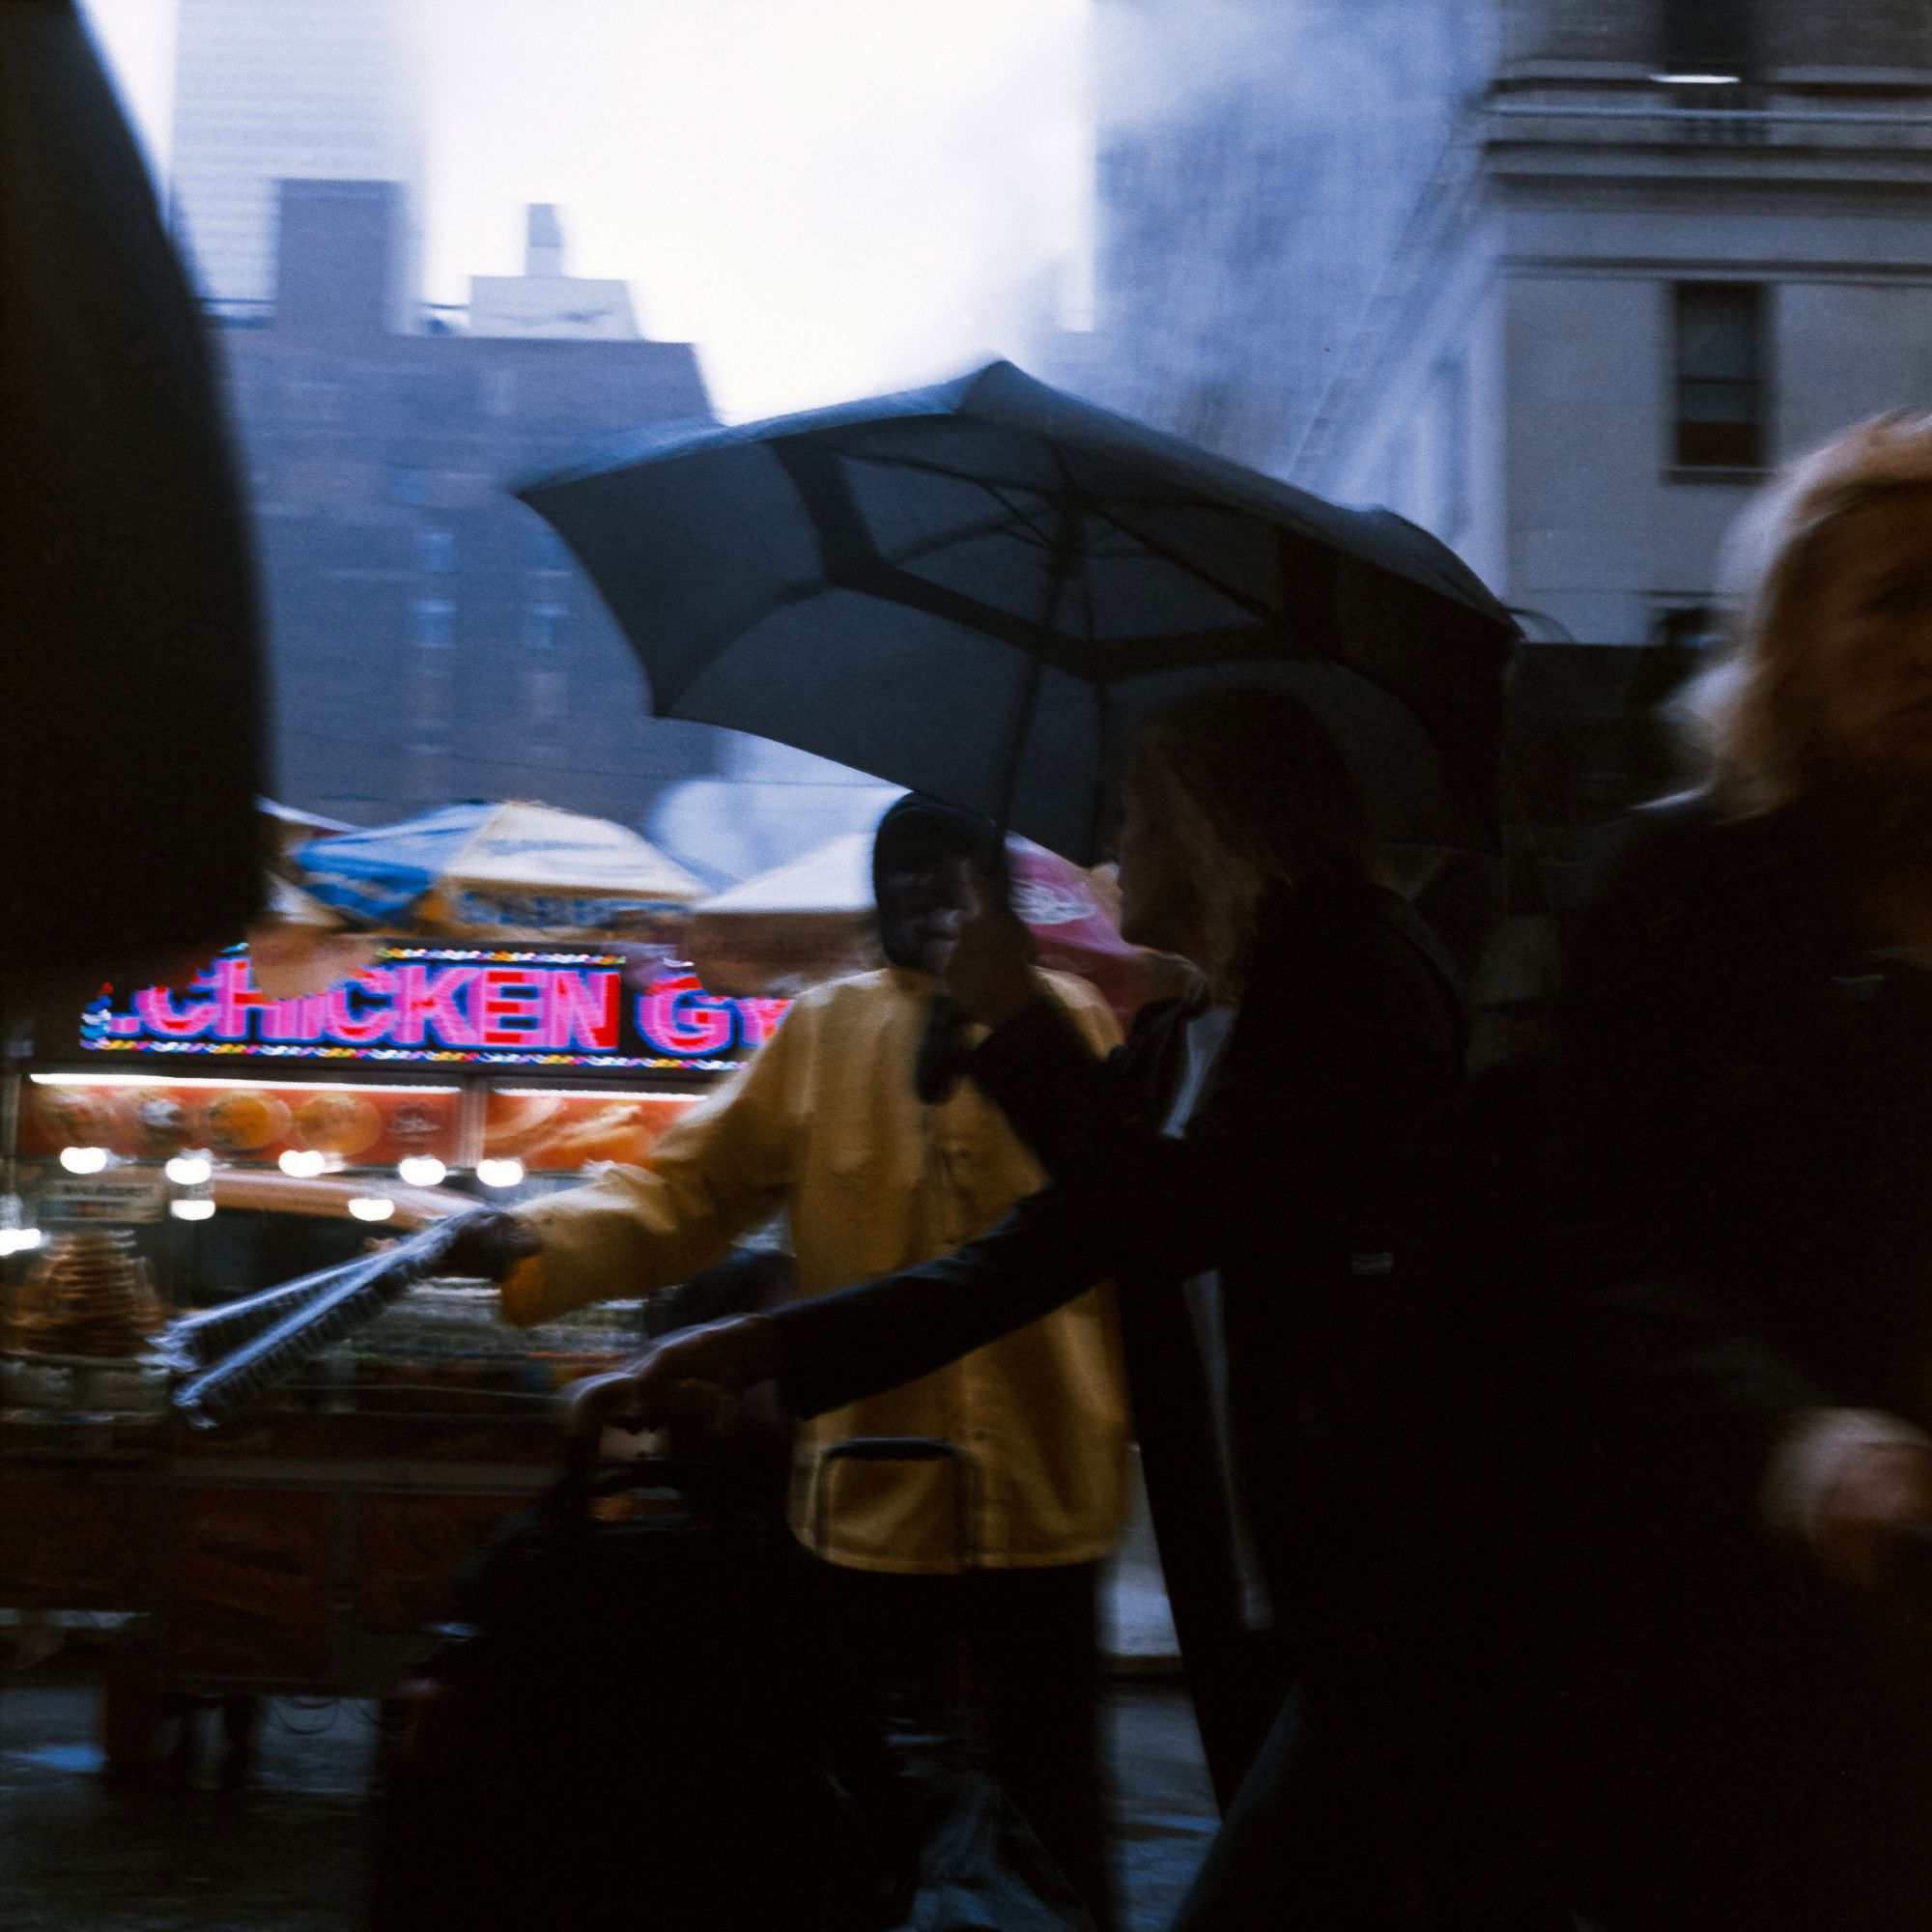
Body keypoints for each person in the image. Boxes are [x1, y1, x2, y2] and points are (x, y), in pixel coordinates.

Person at [612, 690, 1555, 1929]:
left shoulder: (1353, 967)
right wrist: (767, 1345)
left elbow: (1180, 1212)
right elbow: (1036, 1252)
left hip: (1377, 1578)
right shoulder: (1183, 1028)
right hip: (1252, 1568)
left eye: (1137, 813)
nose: (1116, 846)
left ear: (1217, 825)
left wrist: (1013, 1022)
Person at [445, 794, 1129, 1929]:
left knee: (1050, 1799)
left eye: (948, 874)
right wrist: (543, 1239)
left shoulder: (1072, 1027)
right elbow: (690, 1190)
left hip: (1050, 1482)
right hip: (864, 1491)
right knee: (858, 1805)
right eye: (899, 874)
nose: (922, 895)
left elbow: (1125, 1218)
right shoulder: (822, 1029)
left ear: (996, 897)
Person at [1543, 412, 1932, 1930]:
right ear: (1790, 632)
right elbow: (1584, 1246)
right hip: (1733, 1610)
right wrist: (1791, 1438)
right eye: (1893, 598)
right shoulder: (1677, 888)